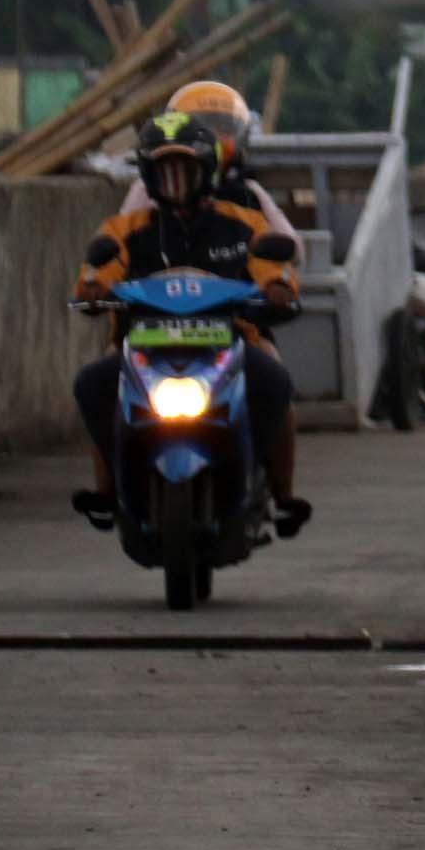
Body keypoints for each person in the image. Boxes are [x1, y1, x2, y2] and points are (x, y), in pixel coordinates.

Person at [70, 112, 311, 539]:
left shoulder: (244, 222)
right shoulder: (125, 229)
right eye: (164, 169)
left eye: (184, 168)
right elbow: (98, 270)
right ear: (148, 175)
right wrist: (92, 289)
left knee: (276, 381)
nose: (174, 180)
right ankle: (108, 490)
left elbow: (273, 265)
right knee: (94, 383)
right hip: (142, 344)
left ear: (206, 169)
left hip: (229, 341)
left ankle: (281, 493)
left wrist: (278, 287)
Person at [119, 81, 296, 240]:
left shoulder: (248, 192)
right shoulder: (150, 188)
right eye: (203, 127)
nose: (215, 136)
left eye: (224, 127)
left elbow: (291, 245)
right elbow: (119, 239)